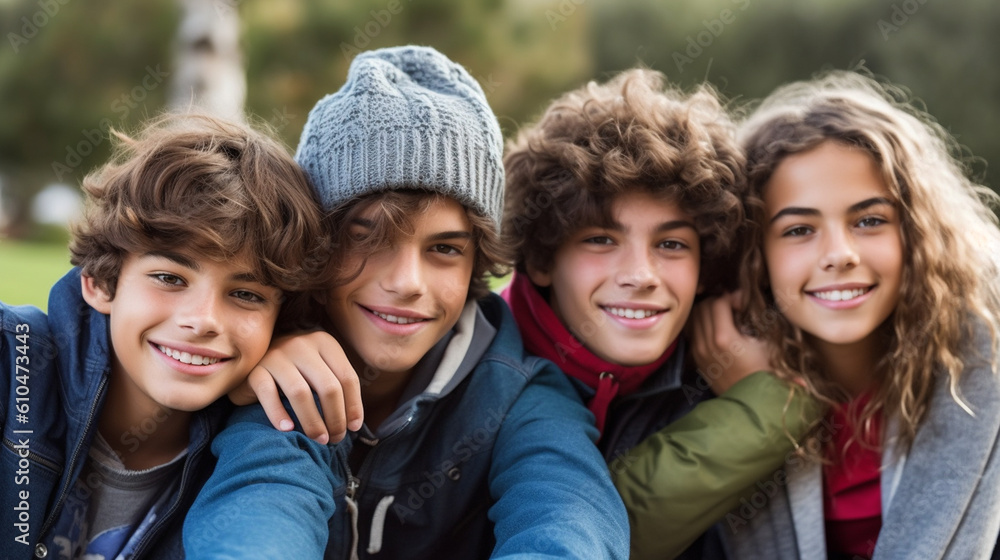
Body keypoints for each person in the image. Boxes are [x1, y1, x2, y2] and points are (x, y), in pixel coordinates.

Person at [182, 45, 628, 559]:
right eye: (368, 239)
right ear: (316, 245)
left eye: (443, 249)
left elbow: (571, 522)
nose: (407, 282)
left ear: (477, 261)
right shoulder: (276, 371)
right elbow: (260, 514)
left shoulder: (520, 396)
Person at [501, 67, 821, 560]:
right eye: (601, 240)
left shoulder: (723, 374)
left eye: (671, 243)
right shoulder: (466, 367)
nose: (642, 274)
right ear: (543, 258)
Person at [0, 113, 327, 559]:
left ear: (279, 320)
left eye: (246, 294)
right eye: (170, 278)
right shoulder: (12, 359)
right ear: (99, 281)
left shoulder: (278, 428)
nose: (204, 319)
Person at [702, 71, 1000, 559]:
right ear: (754, 254)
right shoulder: (715, 377)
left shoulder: (981, 348)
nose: (839, 254)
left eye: (869, 221)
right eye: (799, 229)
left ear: (918, 235)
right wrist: (752, 414)